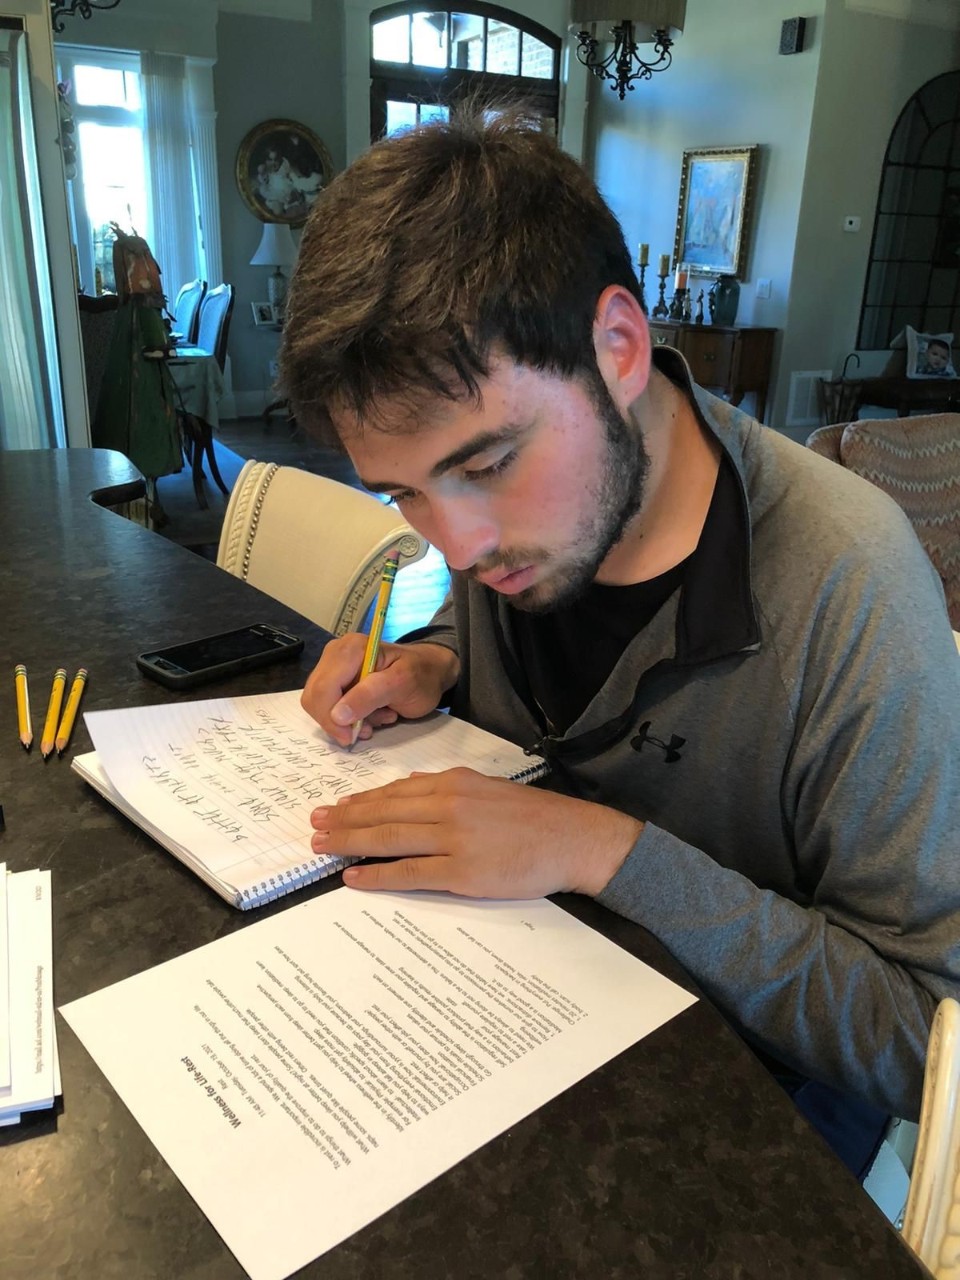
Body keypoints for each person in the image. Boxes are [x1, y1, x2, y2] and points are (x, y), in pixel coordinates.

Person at [279, 106, 960, 1178]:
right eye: (404, 492)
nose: (456, 542)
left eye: (489, 462)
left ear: (620, 347)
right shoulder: (524, 536)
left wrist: (604, 850)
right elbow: (491, 609)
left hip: (735, 1127)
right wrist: (433, 654)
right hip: (479, 1027)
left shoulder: (849, 584)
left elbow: (928, 1037)